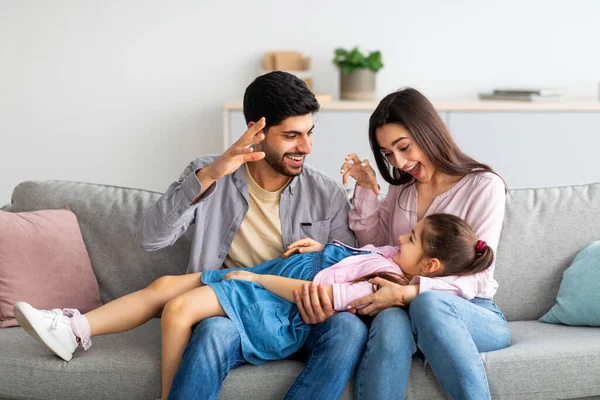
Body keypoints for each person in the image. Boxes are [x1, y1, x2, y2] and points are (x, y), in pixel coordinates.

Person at [12, 71, 366, 400]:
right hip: (231, 310)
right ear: (256, 132)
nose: (306, 147)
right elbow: (151, 237)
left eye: (309, 132)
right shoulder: (210, 171)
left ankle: (75, 327)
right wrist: (210, 175)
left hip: (297, 310)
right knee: (212, 332)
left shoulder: (328, 193)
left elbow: (346, 266)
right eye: (291, 135)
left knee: (348, 328)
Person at [14, 213, 494, 399]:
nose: (400, 238)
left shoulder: (386, 281)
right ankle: (74, 327)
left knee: (181, 309)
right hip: (286, 274)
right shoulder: (390, 256)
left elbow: (324, 298)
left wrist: (254, 276)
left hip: (280, 295)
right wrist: (325, 245)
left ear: (428, 266)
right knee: (166, 283)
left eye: (411, 239)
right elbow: (353, 250)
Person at [333, 87, 512, 399]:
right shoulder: (402, 190)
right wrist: (366, 188)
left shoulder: (483, 186)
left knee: (427, 303)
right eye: (388, 154)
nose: (399, 162)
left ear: (428, 133)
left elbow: (479, 277)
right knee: (389, 319)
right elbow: (377, 247)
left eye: (404, 147)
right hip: (404, 307)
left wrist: (410, 292)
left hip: (472, 311)